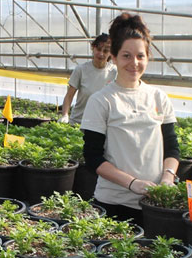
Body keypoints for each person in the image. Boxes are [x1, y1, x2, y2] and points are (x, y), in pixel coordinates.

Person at [80, 13, 180, 225]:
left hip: (154, 204)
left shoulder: (158, 97)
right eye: (126, 56)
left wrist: (167, 178)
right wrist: (132, 183)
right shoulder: (102, 100)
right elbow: (93, 158)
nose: (134, 63)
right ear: (113, 58)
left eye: (140, 56)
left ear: (147, 58)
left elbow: (172, 148)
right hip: (113, 205)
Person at [58, 33, 115, 124]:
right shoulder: (81, 70)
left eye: (105, 51)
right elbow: (69, 96)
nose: (101, 54)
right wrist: (65, 115)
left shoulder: (114, 72)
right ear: (93, 48)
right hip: (78, 122)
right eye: (99, 49)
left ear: (111, 53)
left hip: (101, 124)